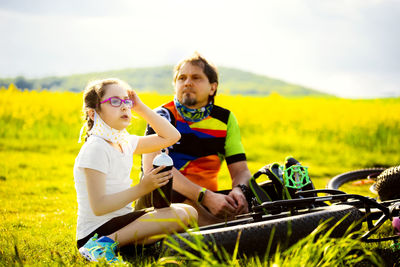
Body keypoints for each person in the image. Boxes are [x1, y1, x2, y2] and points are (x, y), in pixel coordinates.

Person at [74, 78, 198, 263]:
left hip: (121, 223)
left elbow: (172, 136)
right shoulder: (96, 148)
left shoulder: (124, 141)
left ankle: (120, 245)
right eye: (115, 101)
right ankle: (99, 246)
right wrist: (142, 188)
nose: (124, 107)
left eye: (126, 101)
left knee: (189, 212)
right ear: (93, 114)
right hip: (95, 231)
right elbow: (99, 207)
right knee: (179, 215)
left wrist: (140, 107)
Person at [137, 53, 252, 226]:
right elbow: (153, 168)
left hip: (209, 202)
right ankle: (221, 230)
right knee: (164, 182)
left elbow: (241, 171)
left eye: (196, 77)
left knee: (261, 188)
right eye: (182, 78)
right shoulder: (161, 115)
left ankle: (226, 225)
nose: (187, 82)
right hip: (163, 200)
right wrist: (204, 196)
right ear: (175, 85)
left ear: (212, 88)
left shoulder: (225, 120)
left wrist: (239, 191)